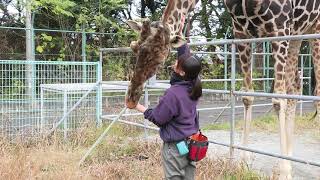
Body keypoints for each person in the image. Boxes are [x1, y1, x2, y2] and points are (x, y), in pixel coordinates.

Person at [135, 43, 202, 180]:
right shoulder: (194, 84)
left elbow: (158, 118)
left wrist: (137, 106)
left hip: (175, 148)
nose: (175, 61)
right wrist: (180, 39)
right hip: (191, 143)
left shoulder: (173, 94)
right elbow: (184, 59)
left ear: (182, 72)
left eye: (178, 62)